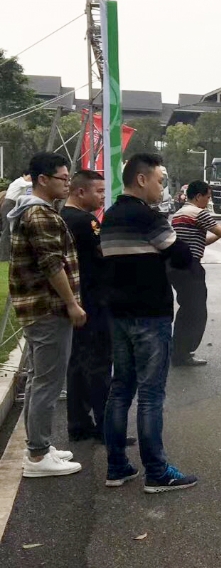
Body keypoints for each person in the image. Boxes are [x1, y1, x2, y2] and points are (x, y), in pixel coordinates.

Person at [101, 153, 198, 493]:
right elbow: (182, 256)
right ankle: (156, 471)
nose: (161, 188)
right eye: (159, 180)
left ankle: (116, 467)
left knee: (120, 390)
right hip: (150, 316)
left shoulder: (110, 215)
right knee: (151, 395)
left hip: (119, 315)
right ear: (141, 179)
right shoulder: (148, 217)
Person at [10, 152, 86, 478]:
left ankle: (38, 446)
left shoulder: (37, 211)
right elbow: (52, 264)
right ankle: (38, 457)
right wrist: (72, 304)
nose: (67, 183)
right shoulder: (40, 215)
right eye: (63, 178)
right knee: (47, 383)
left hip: (39, 308)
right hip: (48, 309)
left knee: (40, 380)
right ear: (43, 179)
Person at [61, 170, 116, 442]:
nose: (102, 196)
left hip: (77, 298)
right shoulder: (86, 221)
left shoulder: (62, 217)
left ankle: (79, 424)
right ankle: (105, 426)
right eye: (99, 191)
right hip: (94, 299)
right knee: (99, 363)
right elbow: (103, 253)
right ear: (80, 192)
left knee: (78, 363)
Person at [169, 181, 221, 366]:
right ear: (199, 196)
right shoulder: (197, 213)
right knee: (196, 311)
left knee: (187, 309)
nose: (208, 201)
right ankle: (183, 352)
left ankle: (178, 350)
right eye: (208, 197)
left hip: (177, 266)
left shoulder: (179, 214)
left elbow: (202, 241)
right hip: (190, 266)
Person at [0, 169, 32, 261]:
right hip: (9, 204)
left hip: (15, 206)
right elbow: (28, 184)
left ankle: (12, 254)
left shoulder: (24, 186)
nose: (30, 179)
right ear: (24, 175)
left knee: (13, 229)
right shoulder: (19, 181)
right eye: (30, 177)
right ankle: (3, 256)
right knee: (7, 230)